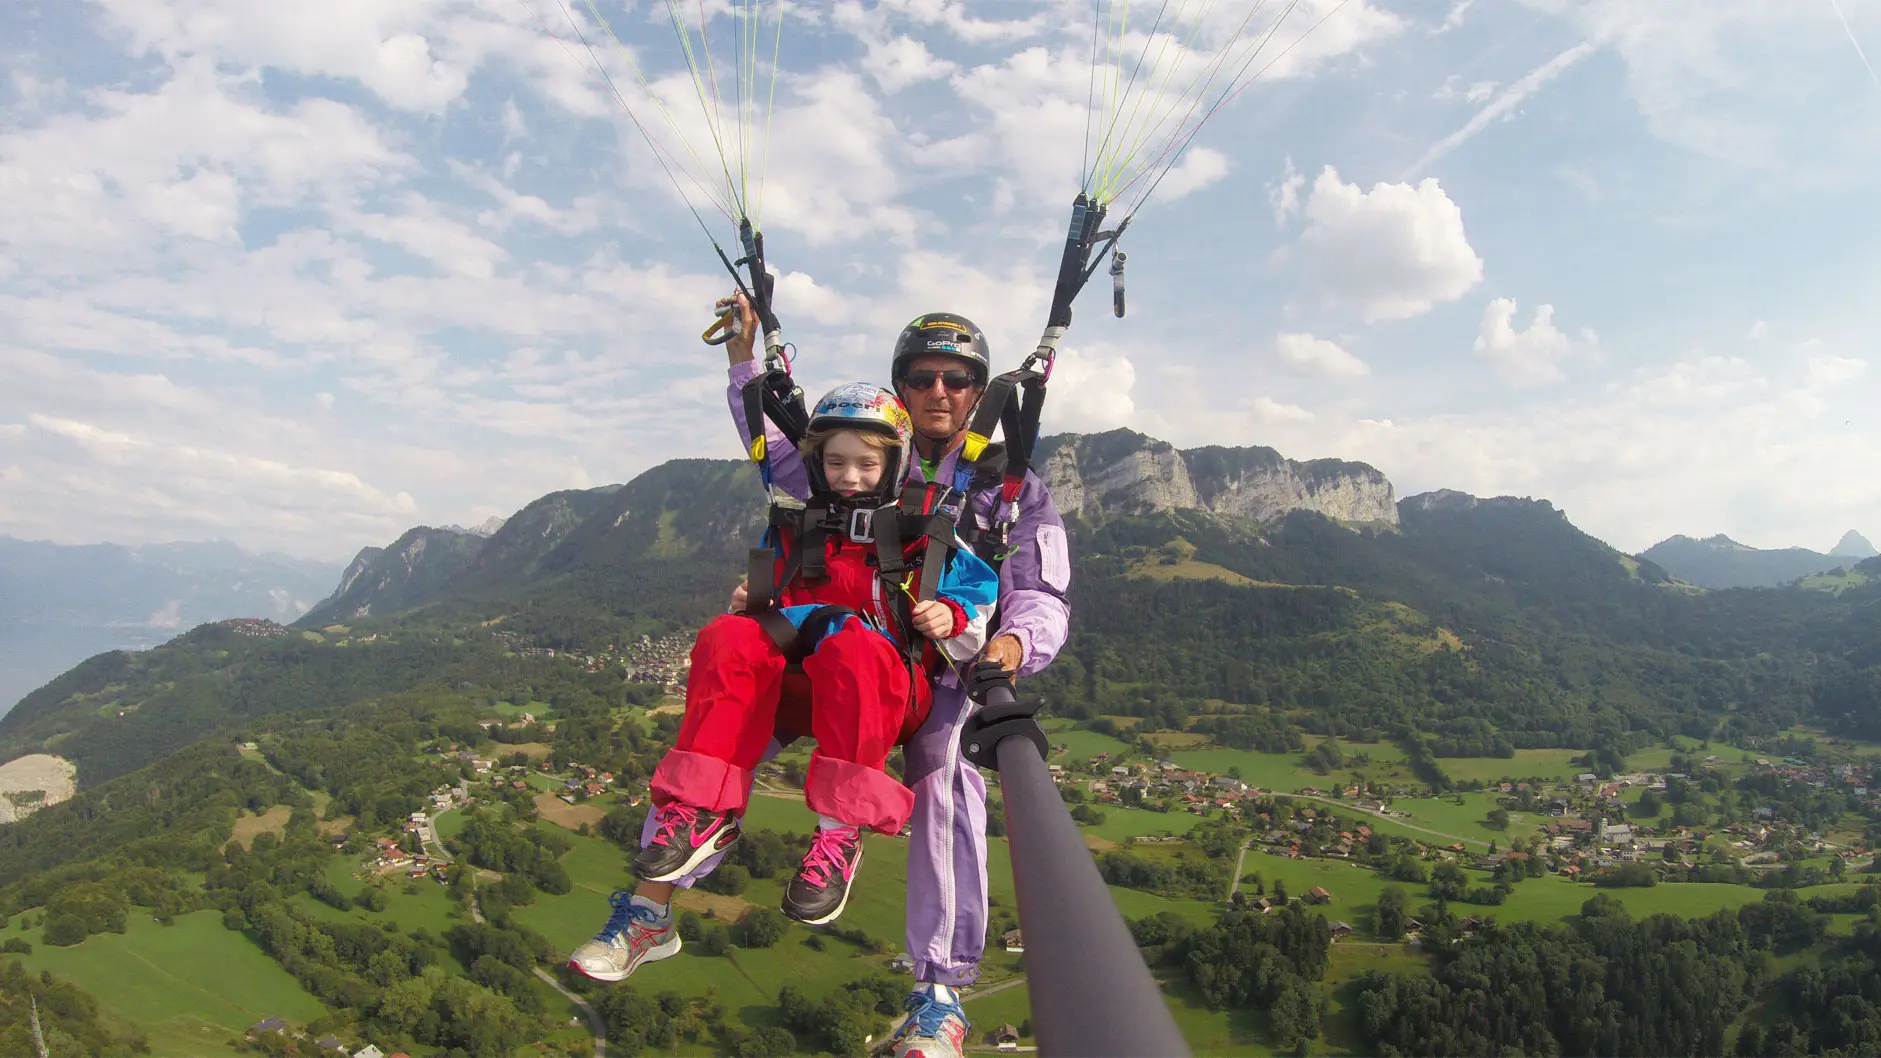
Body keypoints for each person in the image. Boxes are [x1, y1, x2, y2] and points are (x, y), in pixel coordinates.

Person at [721, 300, 1072, 1058]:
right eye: (922, 377)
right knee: (735, 705)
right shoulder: (868, 454)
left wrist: (1011, 648)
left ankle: (938, 995)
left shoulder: (1012, 488)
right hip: (850, 659)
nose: (939, 391)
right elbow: (775, 453)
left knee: (947, 777)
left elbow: (1041, 590)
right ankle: (668, 873)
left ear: (977, 392)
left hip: (939, 674)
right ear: (900, 389)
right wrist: (744, 363)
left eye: (957, 379)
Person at [569, 383, 999, 981]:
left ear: (893, 465)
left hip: (881, 688)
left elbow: (979, 598)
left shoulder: (924, 531)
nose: (850, 476)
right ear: (819, 465)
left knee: (850, 640)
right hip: (802, 689)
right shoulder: (799, 530)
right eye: (836, 462)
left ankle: (840, 833)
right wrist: (756, 603)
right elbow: (769, 608)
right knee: (727, 634)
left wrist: (948, 614)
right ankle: (696, 814)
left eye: (866, 463)